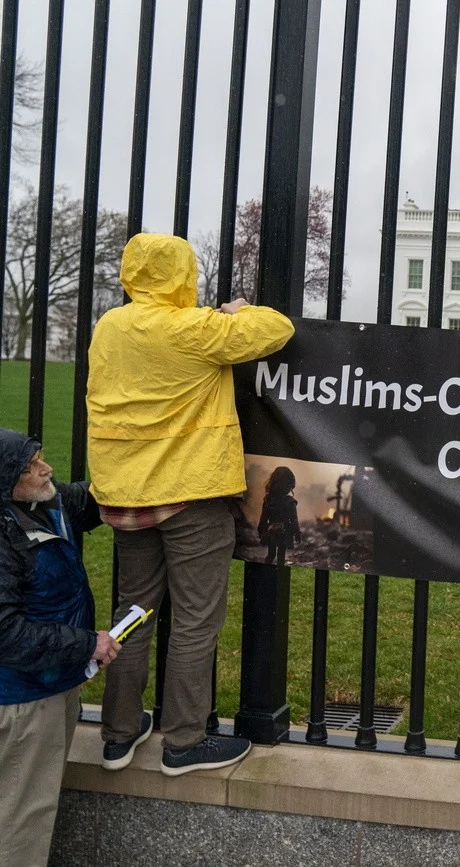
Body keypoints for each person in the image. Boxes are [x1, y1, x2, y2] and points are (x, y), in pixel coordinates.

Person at [87, 233, 294, 777]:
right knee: (196, 622)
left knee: (133, 614)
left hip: (128, 499)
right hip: (190, 498)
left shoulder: (110, 326)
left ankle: (118, 734)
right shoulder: (192, 328)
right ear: (182, 274)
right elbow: (277, 329)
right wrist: (238, 310)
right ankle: (184, 740)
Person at [0, 430, 120, 866]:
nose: (45, 469)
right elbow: (7, 634)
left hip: (42, 691)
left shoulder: (42, 504)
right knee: (21, 819)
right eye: (30, 467)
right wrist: (87, 643)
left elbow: (89, 500)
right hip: (24, 703)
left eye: (41, 459)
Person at [258, 467, 301, 566]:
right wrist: (297, 533)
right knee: (281, 557)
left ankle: (265, 571)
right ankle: (280, 574)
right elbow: (294, 520)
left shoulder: (268, 500)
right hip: (284, 533)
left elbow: (263, 517)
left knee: (271, 555)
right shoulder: (290, 502)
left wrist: (261, 529)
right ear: (289, 485)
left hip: (271, 531)